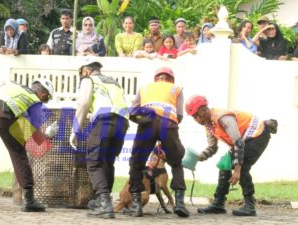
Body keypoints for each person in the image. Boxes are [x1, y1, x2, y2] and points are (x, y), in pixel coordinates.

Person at [0, 79, 58, 212]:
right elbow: (36, 137)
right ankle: (29, 200)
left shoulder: (13, 86)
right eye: (47, 98)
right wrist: (48, 134)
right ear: (43, 94)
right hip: (3, 114)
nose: (45, 101)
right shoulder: (34, 100)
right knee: (18, 154)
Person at [185, 95, 277, 217]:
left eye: (197, 115)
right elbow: (212, 148)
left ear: (203, 110)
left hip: (258, 135)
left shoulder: (222, 117)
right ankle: (218, 203)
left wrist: (237, 171)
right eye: (193, 117)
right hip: (244, 140)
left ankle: (250, 205)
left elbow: (238, 143)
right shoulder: (209, 125)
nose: (196, 119)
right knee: (225, 164)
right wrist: (198, 158)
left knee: (242, 166)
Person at [69, 60, 129, 218]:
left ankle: (104, 203)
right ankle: (104, 199)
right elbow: (109, 105)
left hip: (105, 121)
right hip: (122, 122)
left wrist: (75, 131)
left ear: (87, 70)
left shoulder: (89, 80)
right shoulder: (114, 83)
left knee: (93, 162)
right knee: (108, 162)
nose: (82, 76)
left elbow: (83, 104)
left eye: (82, 72)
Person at [127, 67, 189, 218]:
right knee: (176, 163)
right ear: (171, 79)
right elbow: (179, 115)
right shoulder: (177, 88)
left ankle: (136, 205)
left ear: (156, 78)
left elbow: (132, 112)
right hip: (169, 124)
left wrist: (146, 122)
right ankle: (180, 203)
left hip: (147, 124)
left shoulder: (145, 87)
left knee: (136, 163)